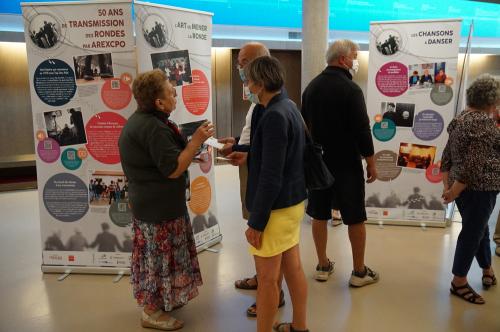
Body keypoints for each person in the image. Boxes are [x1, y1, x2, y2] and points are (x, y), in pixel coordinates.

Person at [118, 69, 214, 330]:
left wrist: (197, 146)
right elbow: (172, 168)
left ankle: (161, 300)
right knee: (157, 260)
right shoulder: (152, 127)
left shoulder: (149, 121)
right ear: (159, 102)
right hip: (157, 208)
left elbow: (167, 157)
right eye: (171, 92)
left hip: (156, 205)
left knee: (160, 257)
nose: (176, 95)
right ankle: (150, 311)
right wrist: (195, 142)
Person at [301, 39, 379, 286]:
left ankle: (323, 265)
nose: (356, 60)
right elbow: (362, 130)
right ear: (343, 59)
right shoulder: (351, 90)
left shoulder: (311, 88)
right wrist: (371, 162)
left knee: (318, 214)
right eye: (355, 55)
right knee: (355, 216)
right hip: (347, 164)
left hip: (318, 163)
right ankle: (358, 272)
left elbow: (304, 127)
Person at [239, 56, 308, 332]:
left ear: (259, 83)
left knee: (267, 280)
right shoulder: (287, 107)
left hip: (274, 210)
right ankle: (300, 326)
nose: (245, 85)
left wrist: (256, 222)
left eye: (247, 80)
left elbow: (270, 176)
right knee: (293, 269)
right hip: (291, 204)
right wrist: (243, 151)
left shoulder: (274, 116)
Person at [218, 42, 285, 317]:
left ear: (260, 65)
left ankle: (271, 294)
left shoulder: (275, 104)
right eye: (239, 63)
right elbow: (254, 134)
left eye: (243, 62)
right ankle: (263, 280)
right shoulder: (259, 98)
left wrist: (246, 152)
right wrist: (237, 144)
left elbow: (272, 165)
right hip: (250, 162)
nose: (239, 67)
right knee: (262, 238)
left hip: (260, 172)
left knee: (265, 236)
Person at [441, 74, 499, 304]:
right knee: (472, 234)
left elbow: (447, 156)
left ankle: (487, 269)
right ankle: (459, 282)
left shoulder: (461, 118)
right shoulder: (483, 123)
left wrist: (449, 187)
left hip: (464, 190)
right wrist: (453, 191)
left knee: (479, 229)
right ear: (492, 101)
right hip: (479, 189)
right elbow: (474, 165)